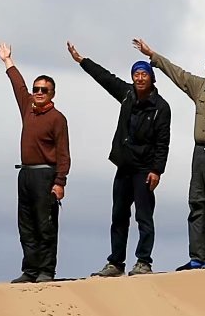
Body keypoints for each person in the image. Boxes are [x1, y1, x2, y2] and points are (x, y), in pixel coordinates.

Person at [133, 38, 205, 270]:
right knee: (196, 203)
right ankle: (197, 257)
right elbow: (178, 74)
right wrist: (153, 55)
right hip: (200, 152)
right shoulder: (200, 87)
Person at [67, 42, 171, 276]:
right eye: (136, 74)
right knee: (118, 216)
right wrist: (82, 61)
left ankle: (143, 261)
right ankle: (116, 262)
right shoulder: (127, 95)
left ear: (152, 78)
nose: (139, 78)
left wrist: (157, 170)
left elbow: (163, 142)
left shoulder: (161, 107)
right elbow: (106, 78)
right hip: (124, 166)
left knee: (144, 217)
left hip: (145, 168)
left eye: (144, 74)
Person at [0, 43, 70, 282]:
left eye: (44, 90)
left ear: (52, 94)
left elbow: (63, 153)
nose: (38, 92)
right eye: (36, 88)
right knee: (25, 225)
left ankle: (46, 271)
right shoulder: (28, 107)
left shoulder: (57, 118)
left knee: (45, 225)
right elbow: (18, 85)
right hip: (25, 174)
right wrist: (8, 61)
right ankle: (30, 270)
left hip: (46, 175)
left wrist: (60, 182)